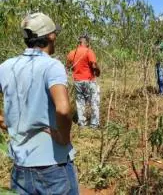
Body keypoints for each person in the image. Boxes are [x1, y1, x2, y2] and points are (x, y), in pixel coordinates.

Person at [0, 12, 79, 194]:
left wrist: (3, 121)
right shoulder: (52, 66)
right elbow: (64, 109)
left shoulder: (6, 67)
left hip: (20, 166)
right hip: (53, 167)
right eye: (55, 34)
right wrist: (64, 137)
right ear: (50, 36)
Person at [67, 35, 100, 128]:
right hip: (89, 80)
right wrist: (98, 71)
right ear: (87, 43)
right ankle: (94, 124)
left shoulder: (72, 53)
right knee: (94, 101)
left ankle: (82, 123)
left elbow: (68, 66)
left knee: (80, 102)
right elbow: (93, 65)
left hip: (78, 81)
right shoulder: (89, 51)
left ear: (79, 42)